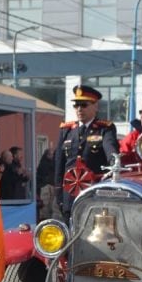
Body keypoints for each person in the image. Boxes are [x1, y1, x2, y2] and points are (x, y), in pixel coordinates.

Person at [54, 85, 118, 214]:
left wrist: (114, 162)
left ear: (96, 106)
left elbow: (110, 151)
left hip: (95, 193)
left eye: (84, 105)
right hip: (70, 195)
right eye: (76, 105)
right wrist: (59, 194)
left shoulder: (105, 129)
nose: (79, 109)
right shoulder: (67, 130)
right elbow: (59, 163)